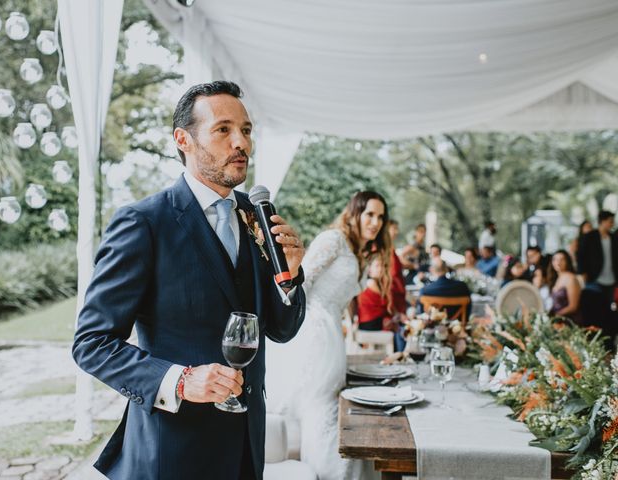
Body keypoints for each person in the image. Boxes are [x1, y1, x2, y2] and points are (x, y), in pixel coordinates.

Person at [71, 81, 307, 480]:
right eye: (223, 129)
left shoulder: (256, 215)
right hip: (172, 451)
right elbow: (91, 343)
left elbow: (280, 330)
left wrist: (293, 277)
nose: (241, 143)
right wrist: (179, 381)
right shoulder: (144, 223)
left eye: (246, 131)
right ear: (183, 139)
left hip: (246, 448)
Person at [266, 191, 391, 480]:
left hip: (333, 332)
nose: (375, 222)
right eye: (370, 214)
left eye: (380, 217)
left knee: (334, 409)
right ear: (354, 213)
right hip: (314, 333)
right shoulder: (333, 240)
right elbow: (301, 282)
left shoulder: (360, 251)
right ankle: (329, 471)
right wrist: (297, 335)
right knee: (321, 408)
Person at [577, 210, 618, 342]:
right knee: (594, 310)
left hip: (611, 280)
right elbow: (581, 256)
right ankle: (594, 339)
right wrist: (583, 273)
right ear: (602, 221)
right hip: (594, 279)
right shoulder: (591, 237)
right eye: (610, 221)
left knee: (609, 311)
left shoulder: (613, 237)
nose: (612, 224)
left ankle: (607, 340)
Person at [357, 258, 407, 352]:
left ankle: (399, 353)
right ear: (370, 270)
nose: (381, 269)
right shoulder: (370, 283)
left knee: (400, 324)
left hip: (375, 320)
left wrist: (398, 315)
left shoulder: (378, 283)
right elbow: (387, 304)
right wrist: (397, 316)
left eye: (383, 266)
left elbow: (389, 306)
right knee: (399, 326)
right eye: (377, 266)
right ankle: (399, 353)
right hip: (370, 322)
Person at [547, 250, 582, 324]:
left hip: (569, 321)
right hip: (557, 321)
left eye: (562, 259)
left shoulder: (571, 278)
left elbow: (573, 306)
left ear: (567, 261)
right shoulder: (556, 278)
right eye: (555, 259)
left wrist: (556, 315)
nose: (558, 262)